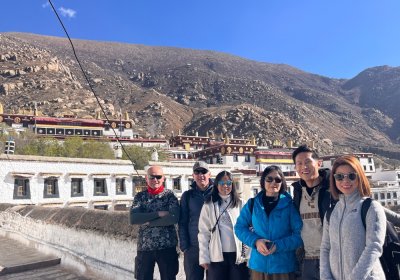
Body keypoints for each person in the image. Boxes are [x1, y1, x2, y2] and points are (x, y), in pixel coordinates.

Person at [320, 155, 386, 279]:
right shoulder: (331, 212)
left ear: (359, 177)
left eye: (351, 176)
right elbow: (325, 247)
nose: (345, 181)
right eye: (339, 176)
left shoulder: (371, 207)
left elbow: (374, 247)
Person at [235, 165, 303, 280]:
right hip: (258, 266)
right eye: (269, 179)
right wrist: (255, 241)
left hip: (283, 267)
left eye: (277, 179)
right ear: (263, 181)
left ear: (282, 182)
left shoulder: (289, 206)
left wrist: (278, 246)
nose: (273, 183)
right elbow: (239, 228)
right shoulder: (252, 204)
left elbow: (299, 235)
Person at [291, 144, 336, 280]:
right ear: (295, 168)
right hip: (308, 261)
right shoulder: (297, 192)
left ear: (319, 163)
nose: (304, 167)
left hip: (331, 259)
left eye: (308, 162)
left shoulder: (333, 189)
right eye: (299, 163)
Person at [129, 165, 180, 280]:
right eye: (152, 177)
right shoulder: (140, 197)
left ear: (163, 178)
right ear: (146, 178)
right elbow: (134, 219)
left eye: (158, 177)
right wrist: (158, 214)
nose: (155, 180)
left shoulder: (170, 196)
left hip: (167, 246)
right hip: (145, 247)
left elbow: (173, 218)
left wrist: (149, 222)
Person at [198, 170, 249, 280]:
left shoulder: (241, 203)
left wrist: (248, 255)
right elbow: (203, 233)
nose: (225, 186)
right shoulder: (208, 204)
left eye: (228, 183)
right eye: (221, 183)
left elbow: (248, 229)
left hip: (238, 255)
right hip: (216, 256)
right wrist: (204, 257)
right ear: (216, 185)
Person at [179, 161, 214, 280]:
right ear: (193, 176)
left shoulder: (218, 194)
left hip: (215, 247)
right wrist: (185, 247)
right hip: (193, 248)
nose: (201, 175)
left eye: (203, 171)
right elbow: (182, 222)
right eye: (197, 172)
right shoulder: (187, 196)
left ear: (209, 174)